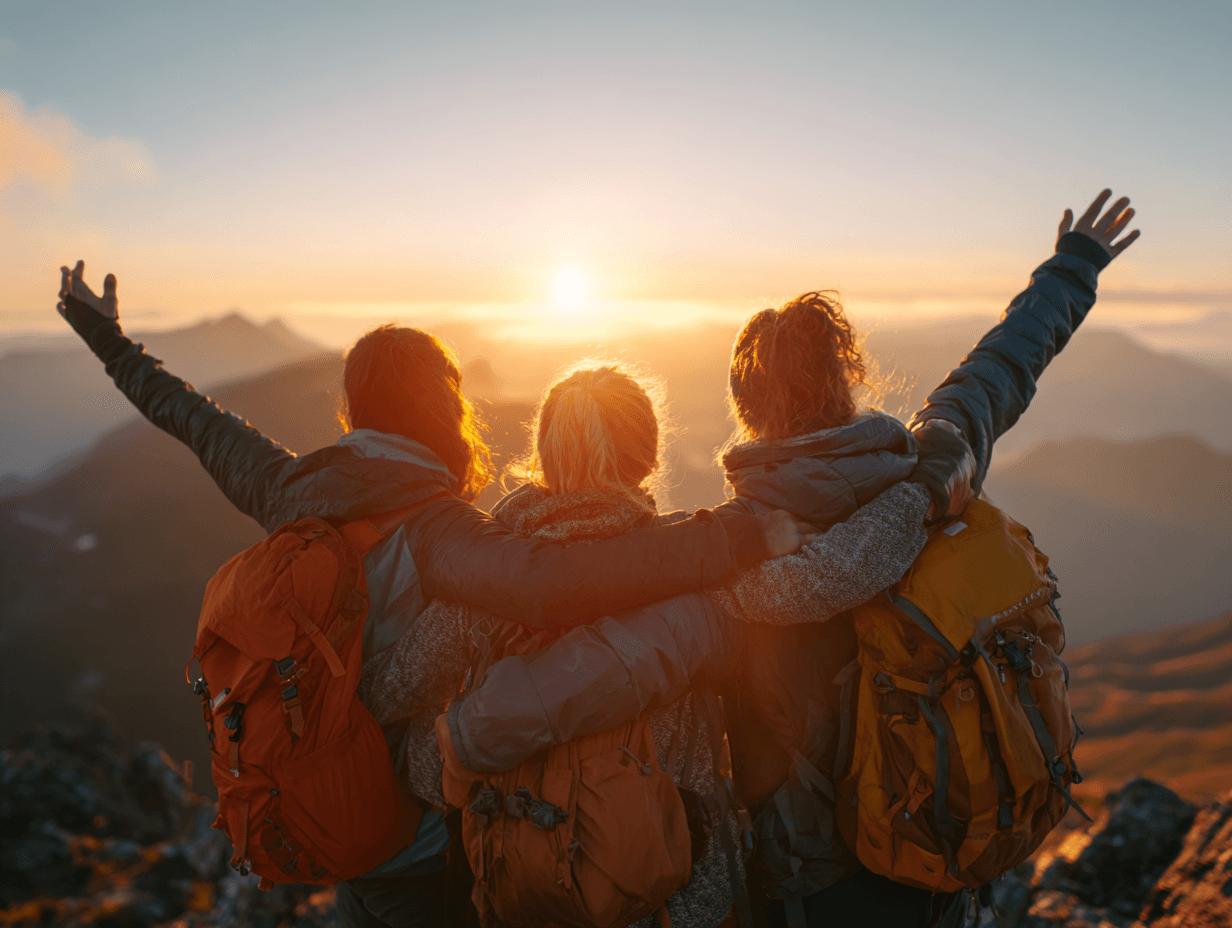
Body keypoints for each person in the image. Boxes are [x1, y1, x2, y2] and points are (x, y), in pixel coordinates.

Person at [53, 266, 964, 927]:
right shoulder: (470, 541)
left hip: (440, 852)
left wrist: (108, 341)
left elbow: (201, 427)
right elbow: (565, 585)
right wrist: (762, 531)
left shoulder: (299, 494)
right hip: (664, 887)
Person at [437, 189, 1140, 928]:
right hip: (944, 848)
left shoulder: (736, 561)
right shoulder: (933, 464)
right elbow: (1001, 369)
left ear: (746, 408)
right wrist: (1074, 266)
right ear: (848, 381)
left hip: (818, 885)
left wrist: (467, 735)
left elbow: (610, 669)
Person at [360, 362, 960, 928]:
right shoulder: (690, 567)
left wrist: (459, 750)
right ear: (646, 460)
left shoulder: (483, 588)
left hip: (522, 893)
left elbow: (386, 697)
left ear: (544, 455)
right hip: (679, 900)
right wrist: (922, 493)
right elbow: (829, 577)